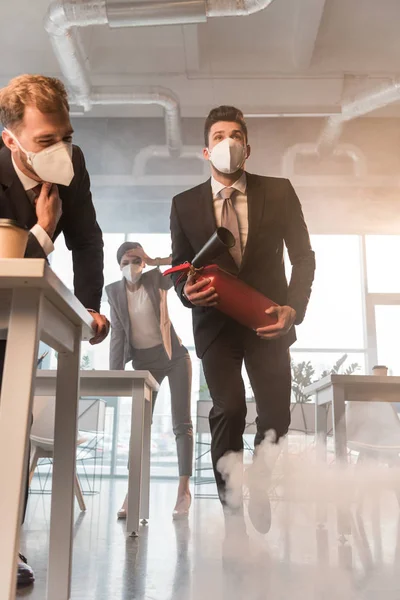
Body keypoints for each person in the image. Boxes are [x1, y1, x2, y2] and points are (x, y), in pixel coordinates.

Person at [169, 106, 315, 541]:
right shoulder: (184, 204)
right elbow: (181, 268)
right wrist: (185, 292)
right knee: (228, 409)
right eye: (218, 135)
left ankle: (261, 480)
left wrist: (294, 308)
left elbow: (304, 257)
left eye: (235, 135)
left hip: (268, 321)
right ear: (205, 149)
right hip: (215, 326)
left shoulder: (280, 191)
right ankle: (232, 509)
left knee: (276, 417)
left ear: (247, 149)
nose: (226, 142)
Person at [0, 74, 109, 587]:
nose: (61, 149)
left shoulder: (73, 164)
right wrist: (43, 230)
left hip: (24, 322)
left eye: (66, 135)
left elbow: (87, 239)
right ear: (11, 140)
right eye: (46, 141)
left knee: (13, 433)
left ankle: (7, 545)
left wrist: (90, 309)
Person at [106, 242, 193, 519]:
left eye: (136, 260)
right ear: (118, 265)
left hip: (174, 357)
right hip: (144, 363)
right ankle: (133, 493)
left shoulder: (156, 280)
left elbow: (186, 261)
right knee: (140, 427)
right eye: (125, 261)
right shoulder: (114, 293)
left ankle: (183, 492)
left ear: (143, 263)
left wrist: (155, 259)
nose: (131, 265)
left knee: (182, 423)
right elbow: (118, 335)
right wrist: (115, 376)